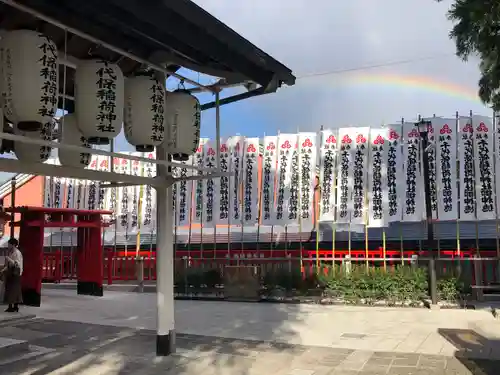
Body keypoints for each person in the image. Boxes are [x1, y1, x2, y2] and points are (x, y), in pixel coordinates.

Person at [2, 238, 23, 312]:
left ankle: (13, 306)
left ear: (13, 245)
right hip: (11, 273)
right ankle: (12, 306)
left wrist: (8, 259)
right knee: (11, 290)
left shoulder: (17, 253)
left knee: (13, 290)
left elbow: (17, 264)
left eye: (9, 244)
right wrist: (4, 269)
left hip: (15, 274)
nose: (8, 245)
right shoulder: (11, 252)